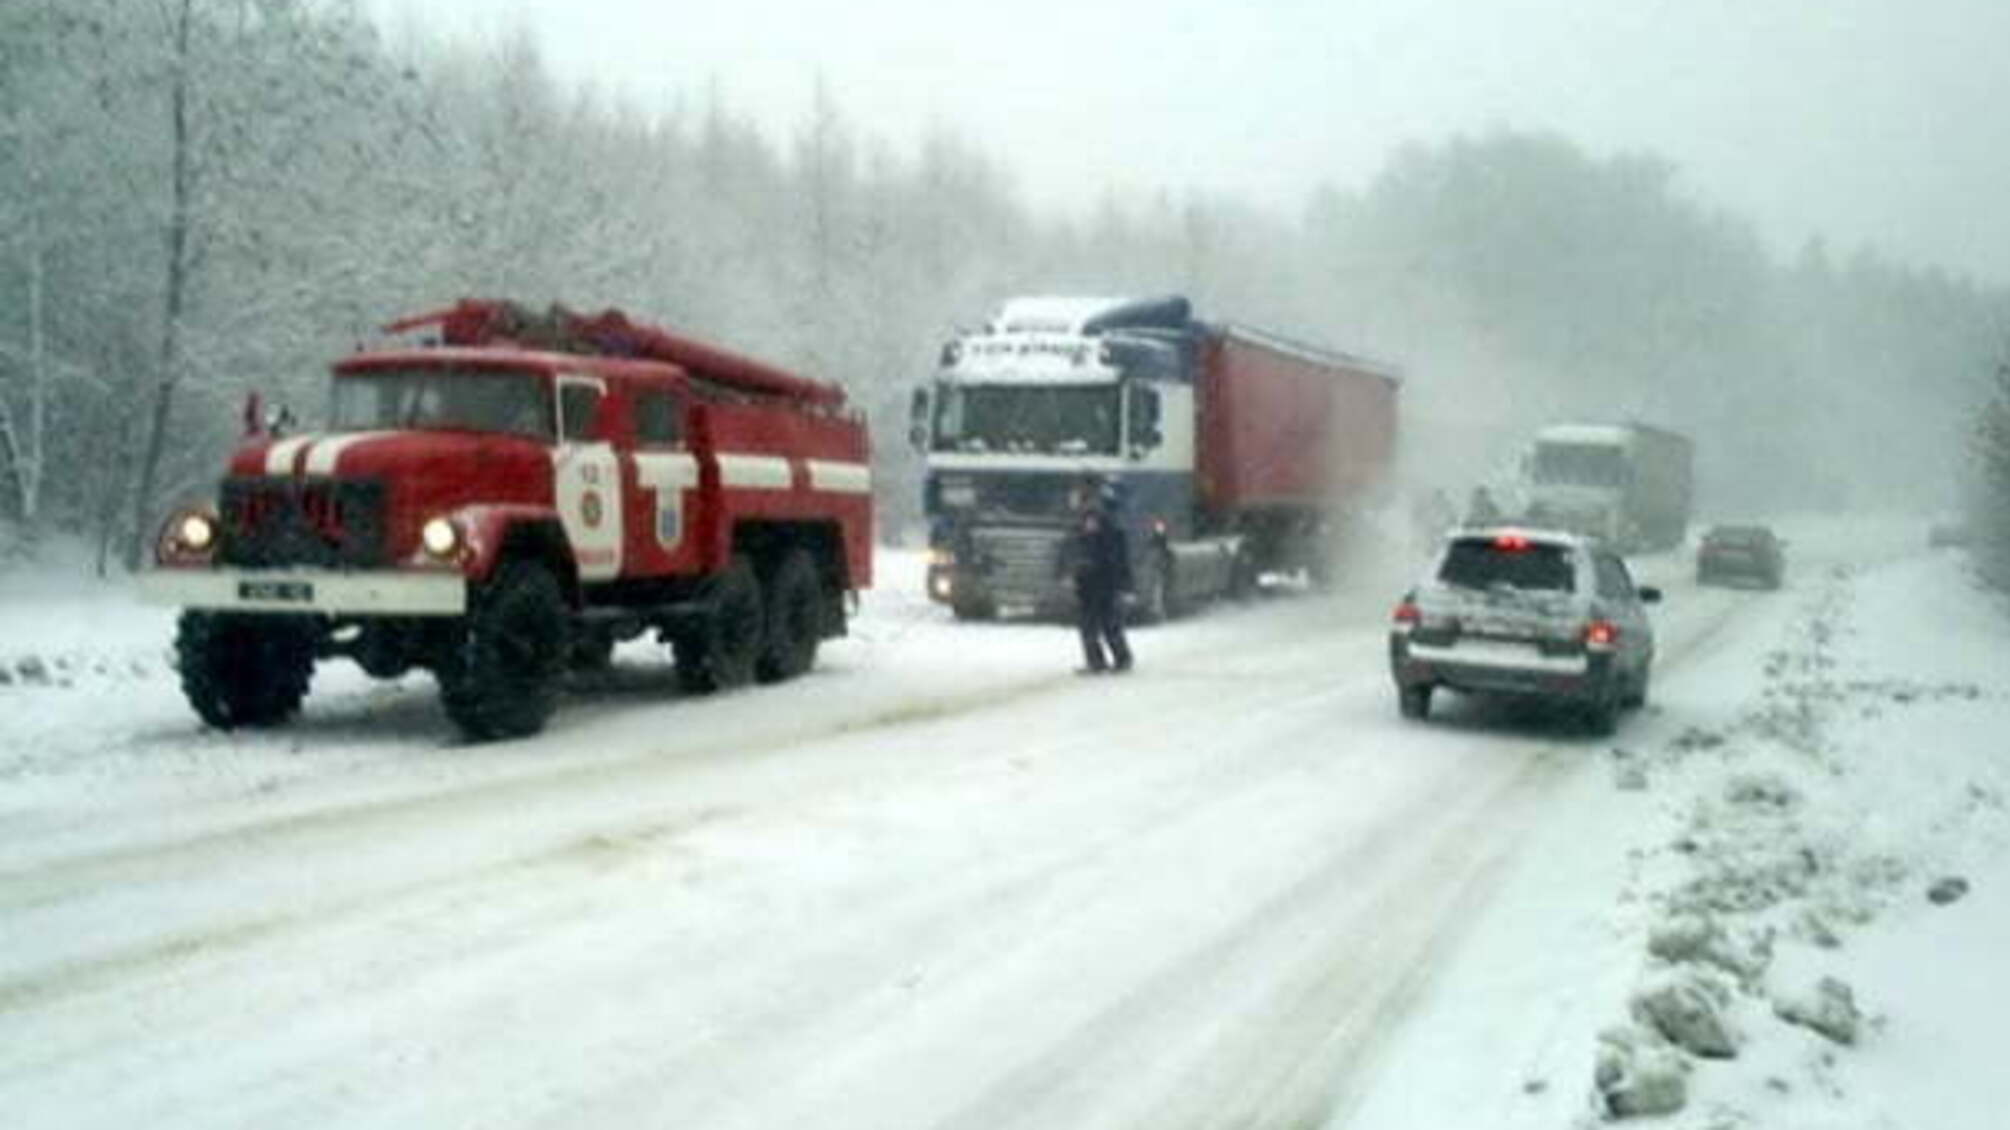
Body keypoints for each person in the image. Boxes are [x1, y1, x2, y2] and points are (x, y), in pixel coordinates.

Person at [1067, 488, 1134, 674]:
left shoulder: (1092, 521)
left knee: (1093, 625)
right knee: (1105, 624)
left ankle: (1101, 660)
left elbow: (1093, 554)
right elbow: (1119, 558)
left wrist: (1082, 570)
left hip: (1095, 583)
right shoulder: (1110, 525)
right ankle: (1118, 658)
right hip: (1100, 583)